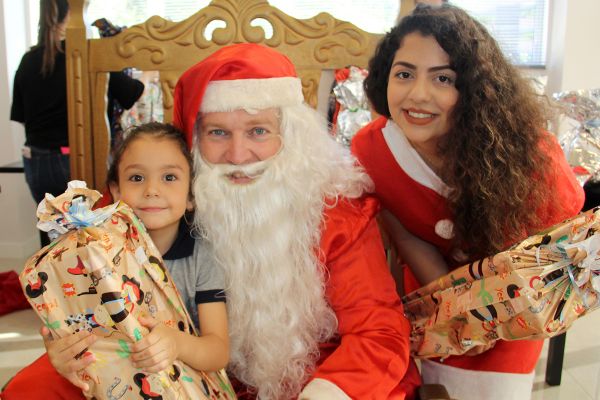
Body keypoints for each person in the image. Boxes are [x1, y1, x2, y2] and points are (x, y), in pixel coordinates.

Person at [351, 4, 585, 400]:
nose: (418, 94)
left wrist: (491, 318)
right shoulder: (372, 151)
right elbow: (406, 235)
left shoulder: (533, 159)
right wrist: (458, 310)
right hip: (436, 292)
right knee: (433, 386)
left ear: (474, 90)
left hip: (518, 297)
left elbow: (549, 254)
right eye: (404, 74)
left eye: (443, 78)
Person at [175, 42, 420, 399]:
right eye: (218, 132)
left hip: (329, 382)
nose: (238, 155)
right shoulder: (169, 210)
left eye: (258, 131)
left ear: (290, 134)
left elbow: (377, 333)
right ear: (195, 141)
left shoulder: (337, 214)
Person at [1, 122, 229, 398]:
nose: (152, 189)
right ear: (116, 191)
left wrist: (177, 344)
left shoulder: (203, 255)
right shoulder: (93, 253)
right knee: (26, 387)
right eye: (137, 178)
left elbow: (218, 352)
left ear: (191, 195)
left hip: (177, 377)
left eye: (169, 177)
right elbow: (73, 329)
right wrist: (61, 355)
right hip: (107, 374)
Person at [10, 0, 144, 247]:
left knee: (52, 239)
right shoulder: (83, 55)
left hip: (35, 161)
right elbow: (131, 92)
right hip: (72, 160)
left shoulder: (28, 60)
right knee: (84, 242)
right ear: (73, 13)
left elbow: (20, 115)